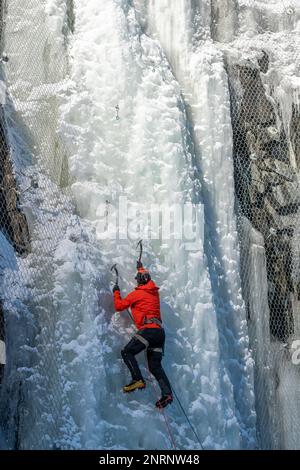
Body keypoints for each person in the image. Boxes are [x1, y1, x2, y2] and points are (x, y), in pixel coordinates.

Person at [113, 262, 173, 408]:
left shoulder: (137, 294)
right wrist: (140, 267)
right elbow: (145, 278)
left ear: (139, 281)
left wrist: (116, 291)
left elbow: (119, 306)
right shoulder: (154, 292)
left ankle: (137, 379)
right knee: (155, 366)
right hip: (159, 333)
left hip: (149, 330)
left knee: (127, 352)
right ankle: (167, 394)